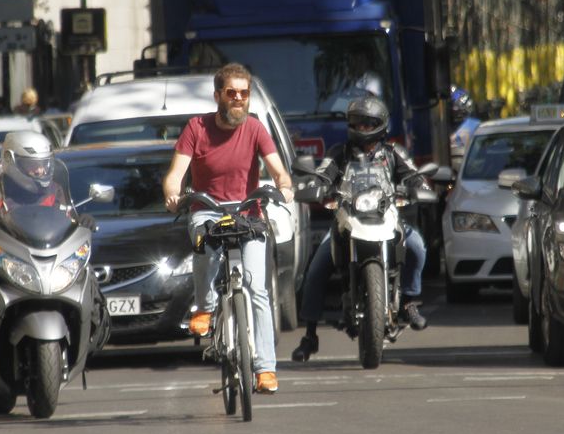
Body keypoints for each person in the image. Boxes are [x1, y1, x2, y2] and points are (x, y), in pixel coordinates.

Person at [162, 63, 294, 394]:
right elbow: (176, 174)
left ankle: (265, 369)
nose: (238, 99)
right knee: (203, 245)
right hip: (207, 210)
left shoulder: (254, 129)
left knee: (257, 288)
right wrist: (173, 194)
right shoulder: (197, 128)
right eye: (231, 93)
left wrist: (285, 186)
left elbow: (278, 170)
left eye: (244, 94)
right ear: (218, 95)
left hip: (247, 212)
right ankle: (205, 307)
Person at [292, 95, 429, 363]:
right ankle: (309, 336)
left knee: (417, 247)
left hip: (386, 217)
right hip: (347, 219)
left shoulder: (393, 153)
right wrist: (317, 186)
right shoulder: (338, 152)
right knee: (316, 269)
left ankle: (409, 300)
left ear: (381, 125)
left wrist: (420, 187)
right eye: (358, 123)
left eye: (369, 124)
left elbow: (414, 175)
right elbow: (323, 173)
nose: (363, 129)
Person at [0, 131, 97, 357]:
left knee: (89, 277)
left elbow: (68, 218)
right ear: (10, 161)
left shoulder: (55, 191)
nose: (40, 171)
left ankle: (92, 332)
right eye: (33, 166)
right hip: (4, 263)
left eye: (45, 165)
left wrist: (81, 222)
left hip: (44, 263)